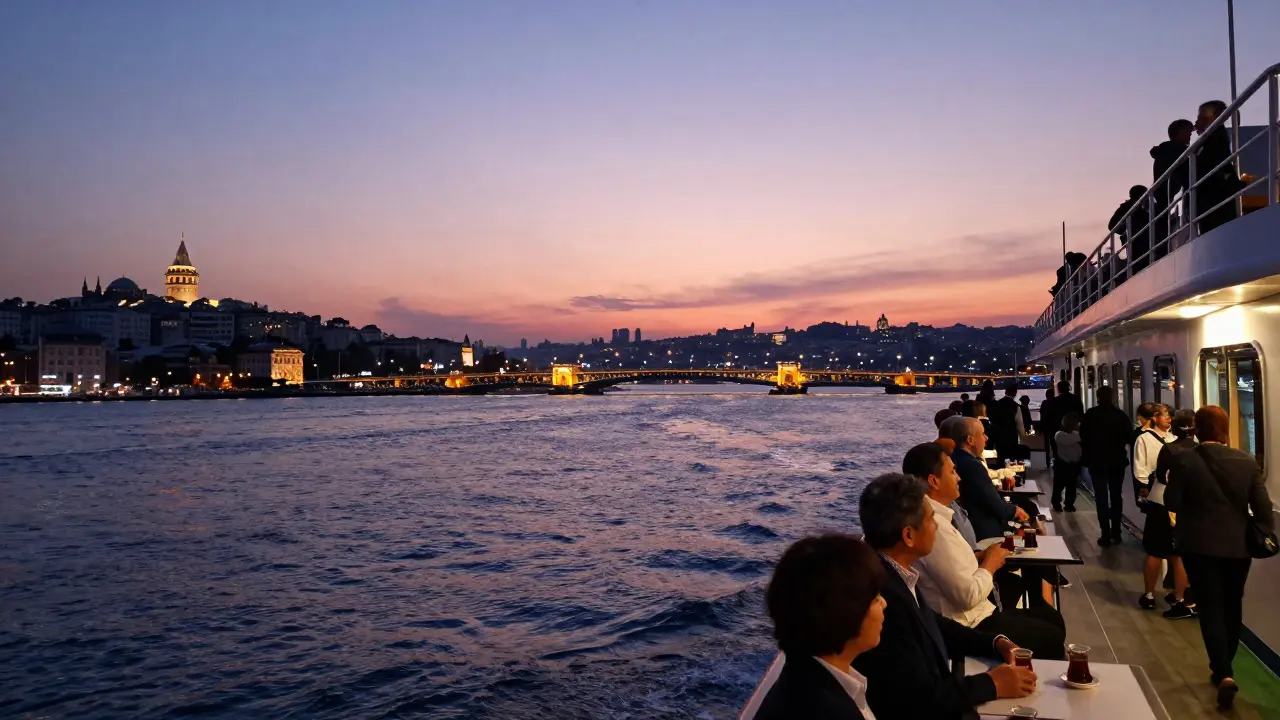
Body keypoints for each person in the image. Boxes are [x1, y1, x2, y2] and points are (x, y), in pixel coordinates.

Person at [854, 473, 1036, 719]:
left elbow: (934, 624)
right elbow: (917, 698)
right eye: (931, 519)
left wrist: (993, 643)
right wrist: (992, 684)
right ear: (908, 536)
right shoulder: (884, 601)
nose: (937, 525)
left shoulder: (896, 572)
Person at [903, 443, 1067, 660]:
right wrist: (991, 562)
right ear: (934, 481)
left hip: (979, 613)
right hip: (971, 625)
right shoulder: (933, 527)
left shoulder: (942, 518)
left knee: (1051, 618)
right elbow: (967, 597)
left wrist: (980, 556)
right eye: (952, 472)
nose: (959, 478)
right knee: (1052, 636)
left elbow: (951, 566)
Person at [1165, 406, 1275, 710]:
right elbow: (1264, 510)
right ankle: (1226, 664)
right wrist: (1257, 533)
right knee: (1232, 603)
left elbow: (1171, 500)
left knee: (1210, 604)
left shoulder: (1185, 460)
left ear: (1196, 429)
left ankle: (1223, 671)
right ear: (1225, 429)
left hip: (1197, 545)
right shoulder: (1247, 461)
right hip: (1238, 546)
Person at [744, 534, 887, 720]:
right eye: (875, 599)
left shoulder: (802, 684)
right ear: (845, 615)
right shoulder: (828, 711)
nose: (884, 603)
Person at [941, 415, 1029, 540]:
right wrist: (1015, 510)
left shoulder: (955, 459)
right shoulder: (972, 466)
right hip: (985, 534)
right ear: (970, 440)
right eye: (982, 434)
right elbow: (996, 507)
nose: (986, 438)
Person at [1146, 409, 1198, 620]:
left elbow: (1160, 476)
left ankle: (1149, 594)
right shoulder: (1200, 450)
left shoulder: (1169, 449)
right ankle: (1180, 598)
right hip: (1189, 508)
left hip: (1162, 503)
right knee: (1180, 555)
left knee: (1154, 550)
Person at [1080, 385, 1133, 547]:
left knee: (1101, 497)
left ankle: (1105, 533)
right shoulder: (1120, 415)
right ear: (1112, 397)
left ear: (1097, 396)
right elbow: (1129, 437)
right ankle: (1116, 532)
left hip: (1096, 462)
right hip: (1116, 461)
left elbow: (1083, 436)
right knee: (1116, 495)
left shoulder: (1090, 415)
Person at [1133, 404, 1173, 611]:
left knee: (1162, 550)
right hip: (1166, 498)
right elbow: (1141, 470)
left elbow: (1141, 470)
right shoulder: (1174, 441)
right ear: (1154, 418)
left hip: (1165, 498)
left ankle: (1158, 593)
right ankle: (1165, 595)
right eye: (1164, 415)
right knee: (1167, 550)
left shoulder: (1152, 439)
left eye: (1169, 415)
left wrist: (1143, 490)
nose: (1169, 418)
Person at [1193, 100, 1243, 235]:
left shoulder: (1216, 137)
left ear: (1212, 118)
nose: (1197, 122)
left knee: (1217, 229)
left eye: (1201, 117)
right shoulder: (1209, 138)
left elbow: (1213, 162)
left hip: (1214, 195)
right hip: (1211, 195)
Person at [1150, 119, 1193, 248]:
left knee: (1162, 225)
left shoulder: (1165, 150)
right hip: (1168, 192)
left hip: (1163, 194)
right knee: (1164, 225)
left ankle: (1160, 248)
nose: (1190, 135)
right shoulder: (1177, 150)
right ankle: (1162, 248)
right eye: (1188, 132)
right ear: (1180, 132)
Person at [1108, 185, 1152, 264]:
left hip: (1145, 240)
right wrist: (1127, 224)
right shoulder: (1127, 208)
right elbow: (1112, 225)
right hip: (1136, 242)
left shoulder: (1145, 207)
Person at [1052, 412, 1082, 513]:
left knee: (1072, 486)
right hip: (1062, 464)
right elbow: (1070, 440)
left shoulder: (1075, 434)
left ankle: (1069, 504)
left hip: (1074, 464)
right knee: (1059, 485)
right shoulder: (1059, 435)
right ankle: (1056, 503)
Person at [987, 387, 1021, 460]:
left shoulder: (997, 403)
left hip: (999, 434)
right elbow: (1019, 423)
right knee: (1011, 456)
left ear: (1005, 392)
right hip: (1011, 434)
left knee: (1000, 455)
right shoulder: (1016, 406)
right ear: (1015, 394)